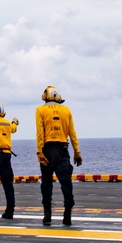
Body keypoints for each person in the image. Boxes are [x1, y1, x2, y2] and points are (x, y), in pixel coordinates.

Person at [35, 85, 82, 226]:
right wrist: (77, 152)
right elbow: (72, 133)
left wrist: (39, 152)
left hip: (47, 149)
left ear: (45, 96)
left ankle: (47, 215)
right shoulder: (66, 110)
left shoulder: (40, 110)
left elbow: (39, 134)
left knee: (46, 183)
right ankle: (67, 215)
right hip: (63, 149)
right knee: (66, 183)